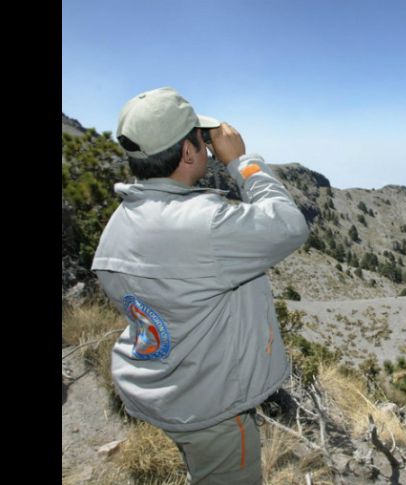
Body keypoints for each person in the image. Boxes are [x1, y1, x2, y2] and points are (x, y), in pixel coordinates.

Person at [91, 86, 309, 484]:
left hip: (158, 389)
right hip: (211, 410)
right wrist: (243, 162)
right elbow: (289, 226)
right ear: (189, 153)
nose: (209, 148)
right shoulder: (203, 223)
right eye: (201, 140)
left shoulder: (119, 224)